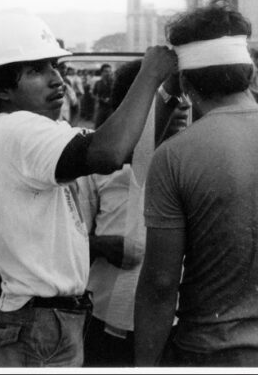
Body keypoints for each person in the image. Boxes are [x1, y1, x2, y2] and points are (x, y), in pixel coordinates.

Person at [134, 1, 258, 367]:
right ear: (250, 72)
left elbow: (161, 283)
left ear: (183, 81)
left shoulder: (175, 156)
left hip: (210, 354)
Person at [0, 8, 176, 367]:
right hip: (40, 321)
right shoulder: (19, 129)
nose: (57, 80)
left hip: (47, 317)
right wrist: (149, 74)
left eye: (56, 67)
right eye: (37, 70)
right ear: (2, 88)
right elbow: (110, 152)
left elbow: (127, 149)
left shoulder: (36, 130)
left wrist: (168, 98)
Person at [78, 60, 189, 367]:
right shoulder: (99, 166)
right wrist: (99, 245)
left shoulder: (192, 162)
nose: (181, 106)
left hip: (174, 323)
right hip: (104, 317)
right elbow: (72, 236)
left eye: (182, 97)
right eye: (168, 98)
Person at [93, 64, 114, 128]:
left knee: (110, 126)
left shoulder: (114, 82)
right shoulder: (98, 83)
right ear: (102, 72)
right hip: (101, 107)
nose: (108, 73)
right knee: (98, 125)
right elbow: (94, 94)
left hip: (111, 108)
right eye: (106, 71)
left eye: (110, 71)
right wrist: (99, 99)